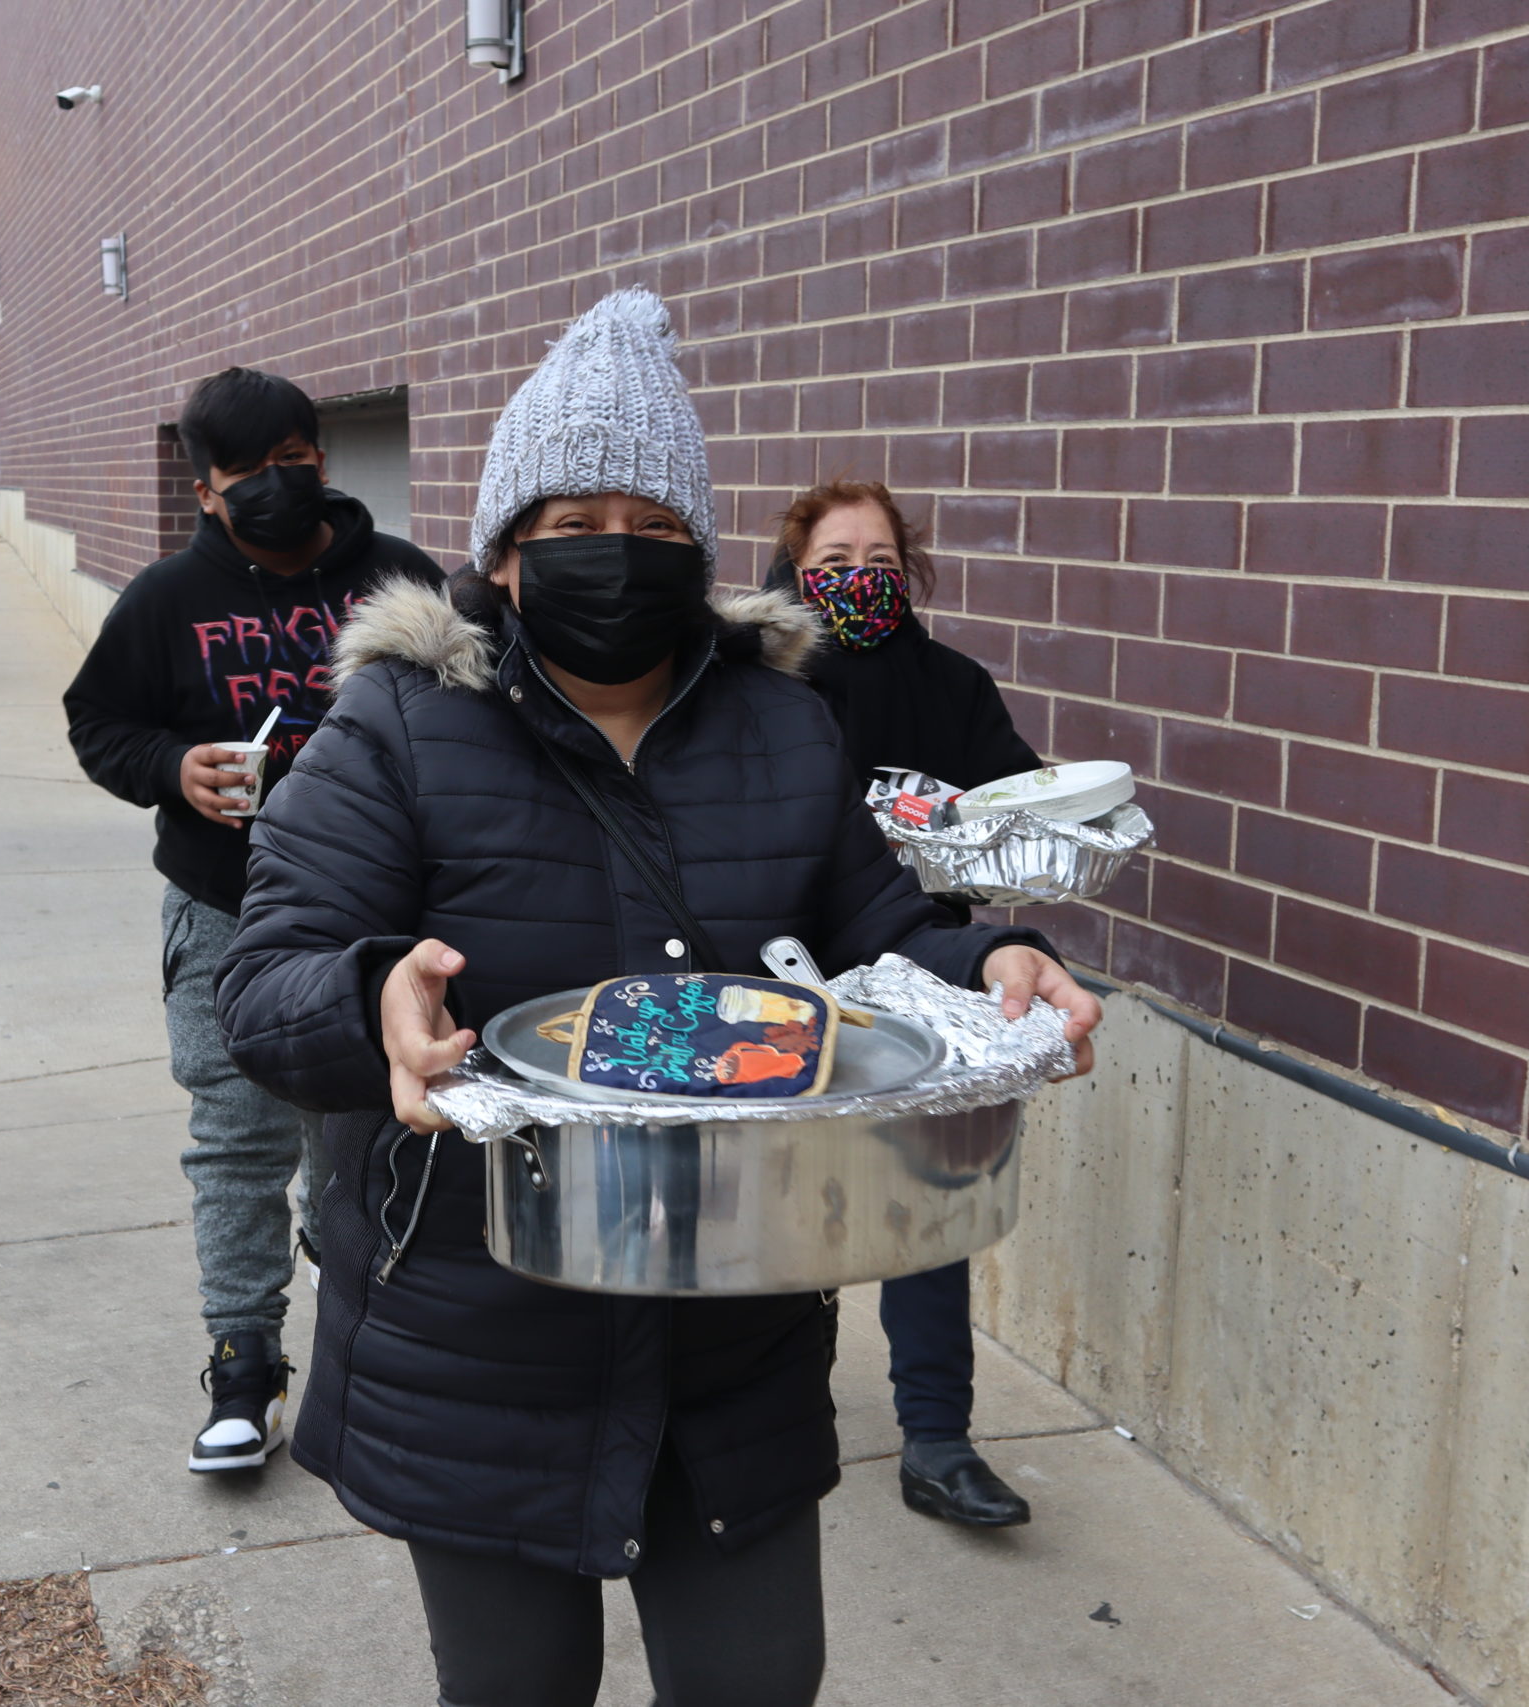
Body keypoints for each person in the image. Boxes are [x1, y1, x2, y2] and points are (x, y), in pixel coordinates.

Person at [214, 289, 1101, 1707]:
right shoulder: (397, 727)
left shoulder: (784, 726)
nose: (610, 554)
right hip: (476, 1325)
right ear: (503, 556)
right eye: (570, 525)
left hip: (729, 1326)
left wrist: (983, 961)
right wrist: (373, 990)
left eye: (651, 523)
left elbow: (872, 945)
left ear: (698, 550)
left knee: (759, 1680)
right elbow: (260, 989)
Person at [63, 366, 444, 1475]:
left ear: (321, 458)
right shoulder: (166, 601)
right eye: (248, 473)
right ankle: (243, 1365)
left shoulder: (399, 579)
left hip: (376, 917)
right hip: (225, 909)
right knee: (235, 1142)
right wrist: (175, 767)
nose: (279, 486)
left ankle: (362, 1318)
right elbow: (98, 723)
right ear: (206, 491)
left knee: (360, 1136)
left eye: (296, 460)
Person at [762, 479, 1051, 1532]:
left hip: (923, 960)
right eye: (835, 559)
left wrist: (1015, 823)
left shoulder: (951, 684)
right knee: (784, 1193)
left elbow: (1014, 804)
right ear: (795, 570)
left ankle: (936, 1438)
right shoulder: (756, 681)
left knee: (927, 1197)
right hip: (781, 969)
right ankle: (763, 1408)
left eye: (880, 561)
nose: (858, 579)